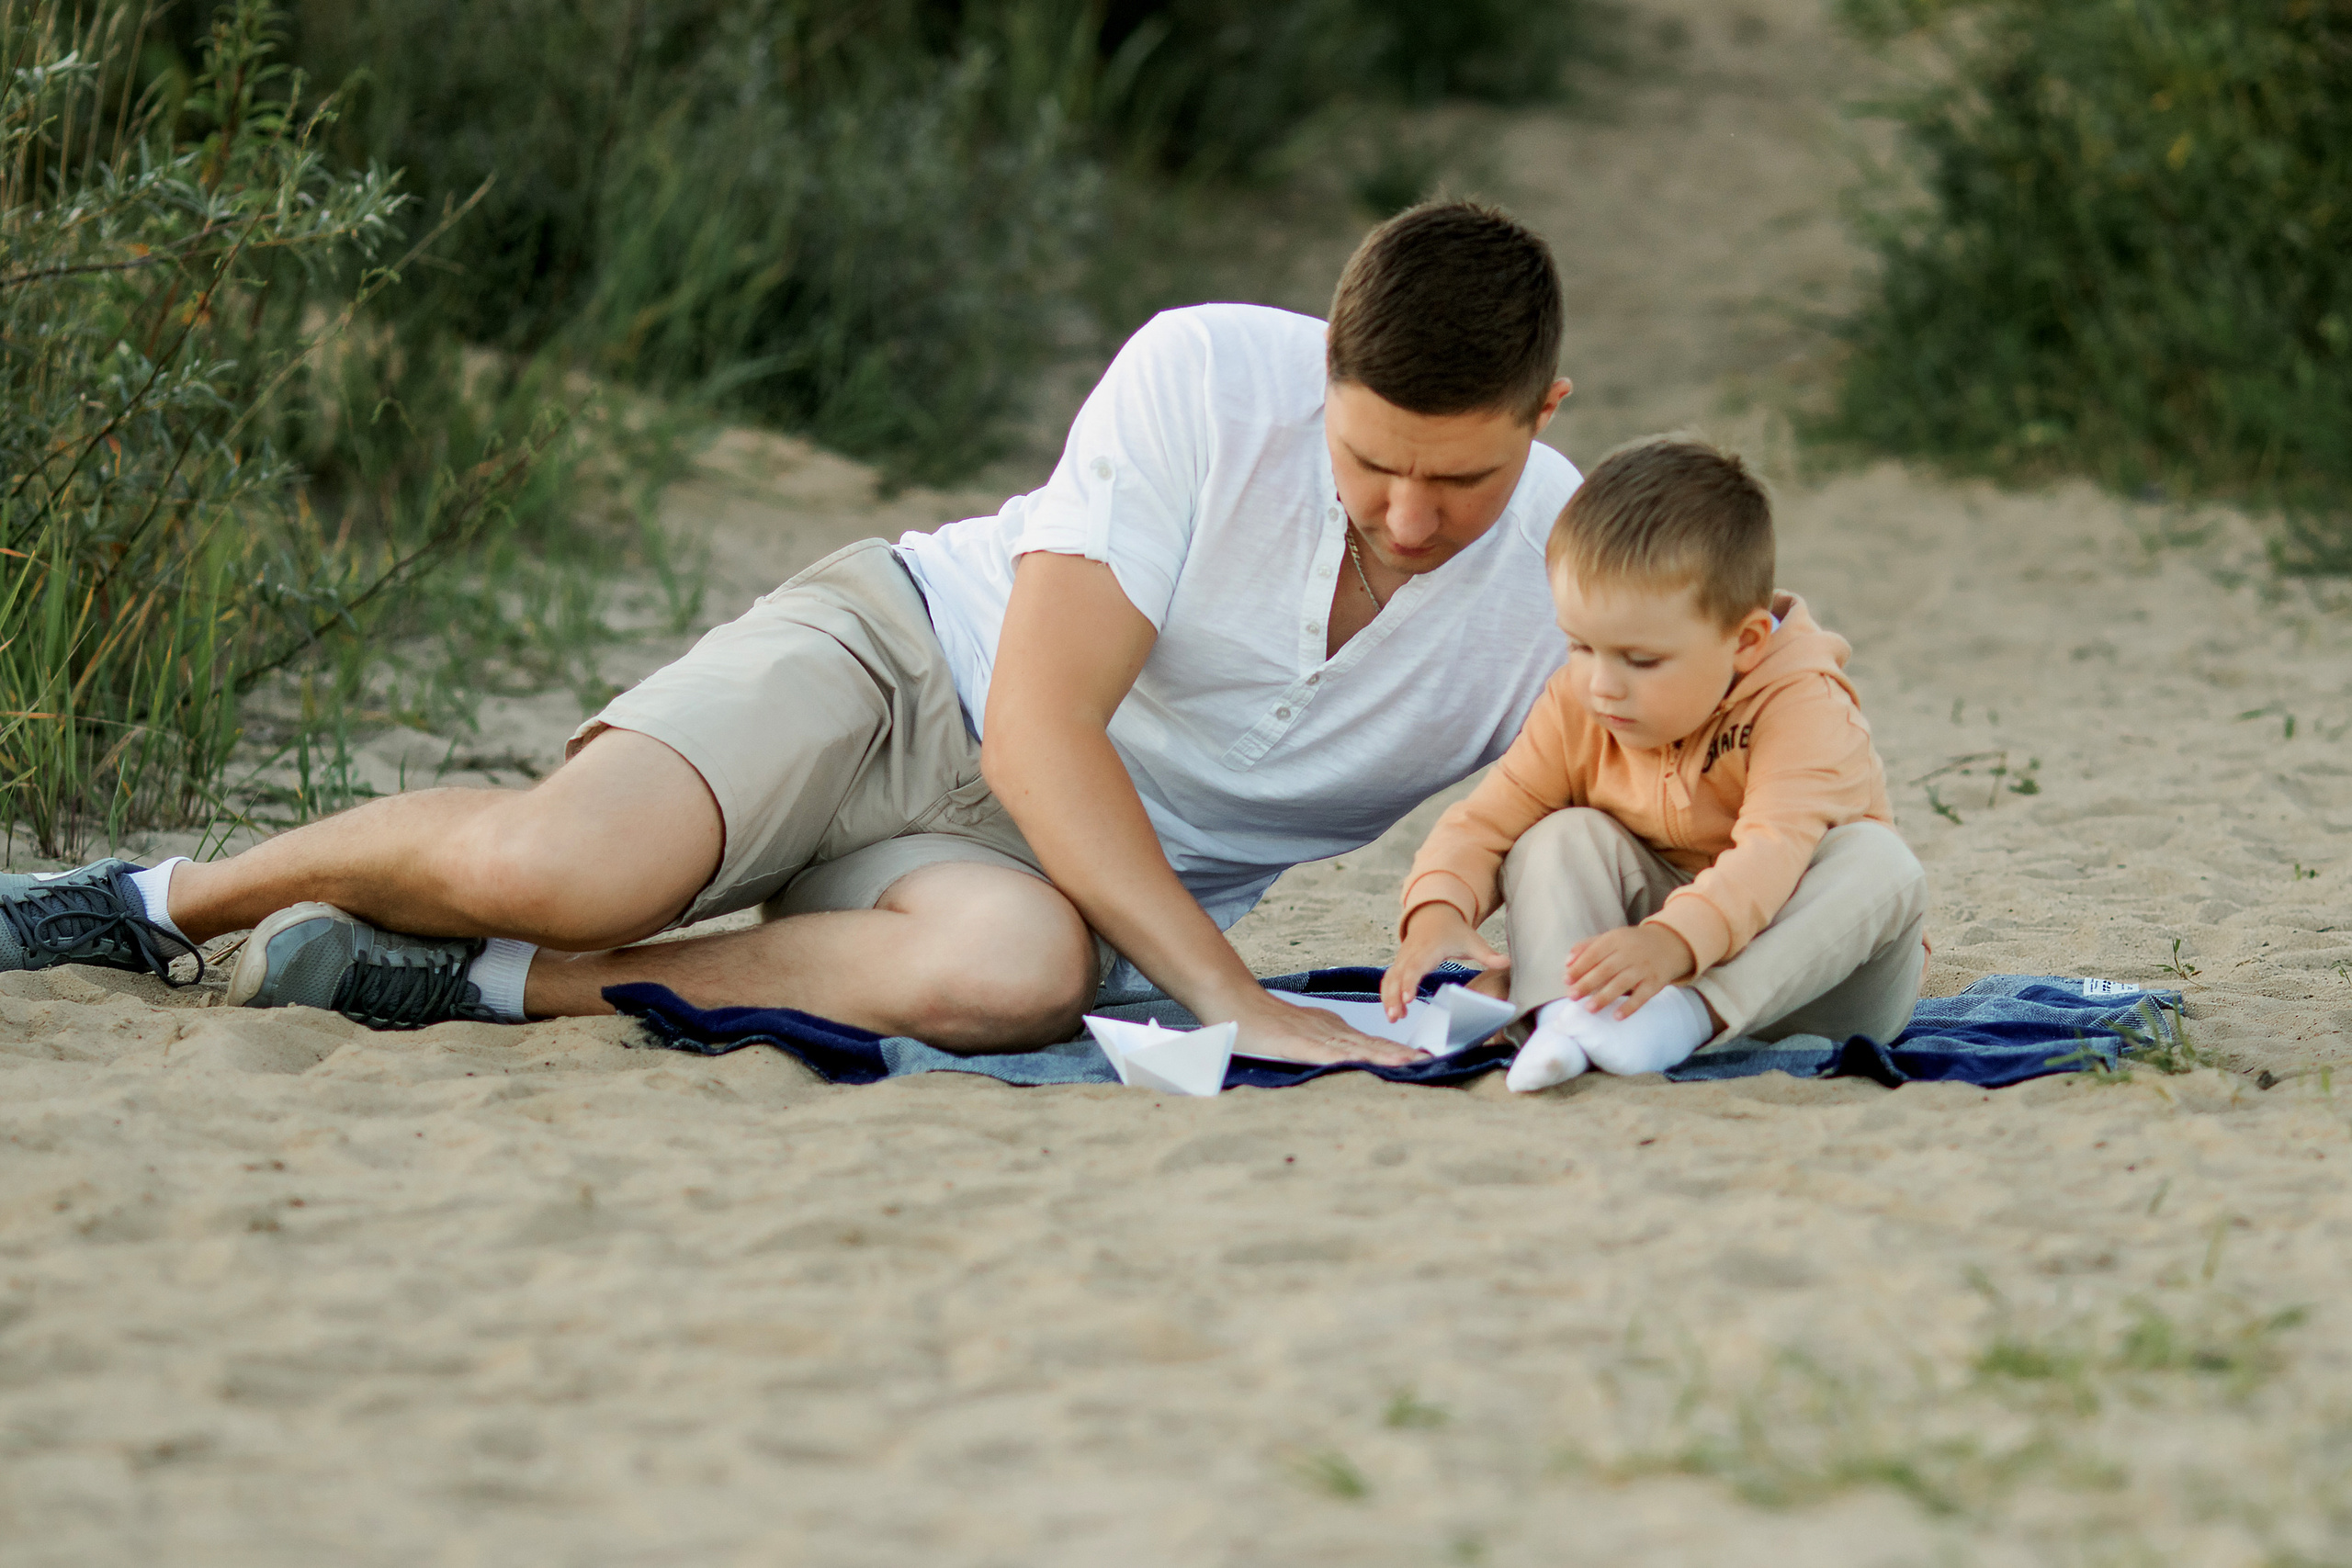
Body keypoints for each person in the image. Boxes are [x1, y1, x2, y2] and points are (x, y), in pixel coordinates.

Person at [0, 201, 1582, 1066]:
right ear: (1322, 379)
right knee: (568, 863)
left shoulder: (1568, 571)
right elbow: (1042, 734)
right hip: (898, 666)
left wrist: (1461, 922)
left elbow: (1605, 795)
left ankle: (490, 987)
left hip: (1057, 881)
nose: (1409, 515)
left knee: (1015, 975)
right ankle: (156, 898)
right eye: (1368, 463)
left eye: (1460, 481)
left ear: (1544, 413)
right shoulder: (1205, 376)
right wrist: (1236, 1001)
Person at [1379, 437, 1928, 1090]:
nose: (1602, 685)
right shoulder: (1580, 703)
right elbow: (1486, 821)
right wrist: (1438, 909)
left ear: (1746, 642)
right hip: (1639, 973)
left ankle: (1681, 1021)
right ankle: (1565, 1019)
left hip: (1820, 981)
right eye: (1580, 646)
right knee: (1559, 833)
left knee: (1879, 860)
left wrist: (1673, 944)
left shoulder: (1802, 704)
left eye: (1640, 660)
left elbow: (1772, 854)